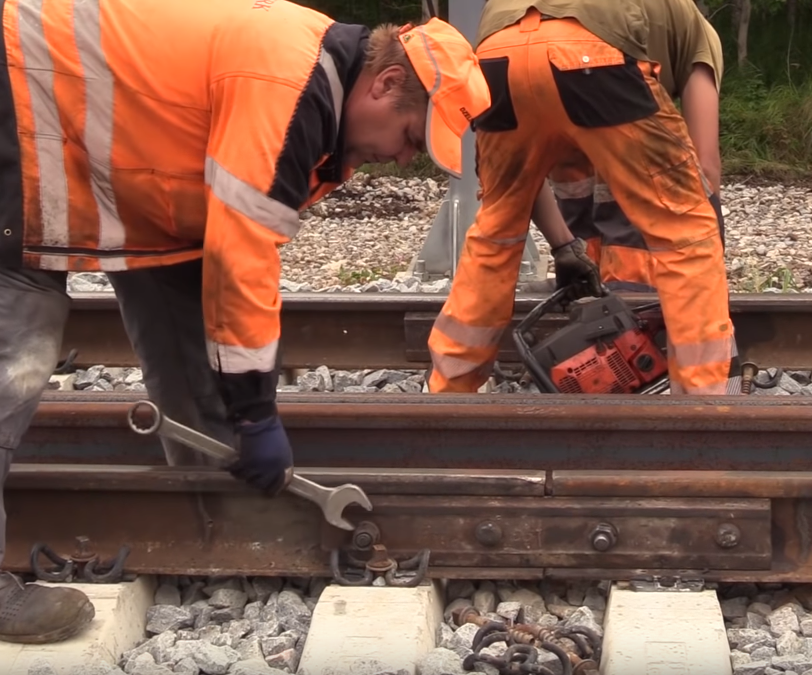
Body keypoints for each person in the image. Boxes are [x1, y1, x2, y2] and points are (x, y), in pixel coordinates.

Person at [0, 0, 490, 644]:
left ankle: (208, 517)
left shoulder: (317, 91)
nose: (403, 159)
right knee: (16, 353)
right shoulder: (288, 89)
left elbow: (218, 256)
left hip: (106, 169)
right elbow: (242, 254)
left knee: (185, 330)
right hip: (20, 109)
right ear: (387, 84)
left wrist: (239, 421)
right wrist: (256, 414)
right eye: (407, 137)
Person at [426, 0, 741, 397]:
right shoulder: (699, 35)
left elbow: (529, 184)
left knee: (497, 229)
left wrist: (564, 247)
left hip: (495, 53)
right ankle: (701, 410)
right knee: (687, 230)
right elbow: (706, 167)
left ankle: (448, 393)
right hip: (593, 52)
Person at [539, 0, 727, 292]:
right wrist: (710, 264)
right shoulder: (699, 34)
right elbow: (706, 162)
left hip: (540, 60)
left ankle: (586, 289)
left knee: (578, 183)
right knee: (629, 203)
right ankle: (626, 306)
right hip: (616, 95)